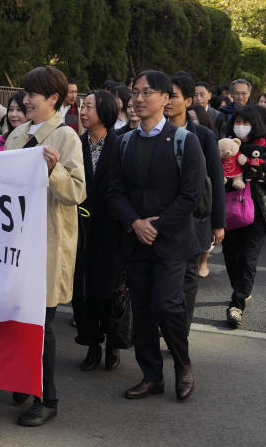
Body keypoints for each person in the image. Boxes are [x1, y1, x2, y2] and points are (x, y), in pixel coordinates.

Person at [0, 65, 85, 426]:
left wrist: (54, 170)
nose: (26, 100)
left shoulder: (66, 138)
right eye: (25, 93)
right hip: (15, 243)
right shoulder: (16, 134)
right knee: (16, 317)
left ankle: (48, 398)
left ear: (54, 99)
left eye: (33, 94)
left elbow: (77, 192)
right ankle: (23, 380)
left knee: (40, 324)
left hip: (45, 245)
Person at [109, 70, 204, 403]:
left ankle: (182, 364)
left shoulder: (184, 141)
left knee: (167, 305)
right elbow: (115, 191)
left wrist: (157, 226)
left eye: (147, 92)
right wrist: (136, 223)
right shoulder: (123, 142)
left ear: (166, 99)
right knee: (143, 310)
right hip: (136, 240)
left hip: (171, 241)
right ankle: (151, 376)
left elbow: (191, 195)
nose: (138, 98)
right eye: (136, 92)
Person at [166, 74, 226, 322]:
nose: (167, 101)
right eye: (165, 95)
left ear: (188, 100)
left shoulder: (202, 135)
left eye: (173, 96)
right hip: (163, 216)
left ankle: (180, 331)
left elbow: (216, 179)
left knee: (188, 279)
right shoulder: (152, 132)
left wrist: (218, 222)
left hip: (195, 218)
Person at [72, 90, 123, 372]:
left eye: (89, 106)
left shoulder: (120, 146)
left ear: (104, 111)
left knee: (107, 290)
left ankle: (112, 343)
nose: (83, 111)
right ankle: (91, 344)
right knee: (82, 291)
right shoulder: (75, 145)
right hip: (79, 228)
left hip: (110, 229)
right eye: (82, 106)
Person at [223, 105, 266, 328]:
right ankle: (242, 288)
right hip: (231, 210)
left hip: (257, 212)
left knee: (248, 257)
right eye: (237, 121)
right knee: (231, 255)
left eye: (246, 122)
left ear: (255, 124)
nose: (240, 126)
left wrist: (261, 176)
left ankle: (237, 304)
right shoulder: (226, 146)